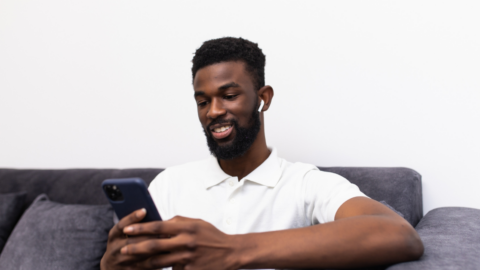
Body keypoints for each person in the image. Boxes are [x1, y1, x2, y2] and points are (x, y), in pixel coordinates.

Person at [100, 37, 424, 270]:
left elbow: (399, 235)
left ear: (263, 98)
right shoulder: (169, 185)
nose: (213, 111)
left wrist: (230, 251)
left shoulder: (305, 184)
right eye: (202, 101)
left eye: (228, 95)